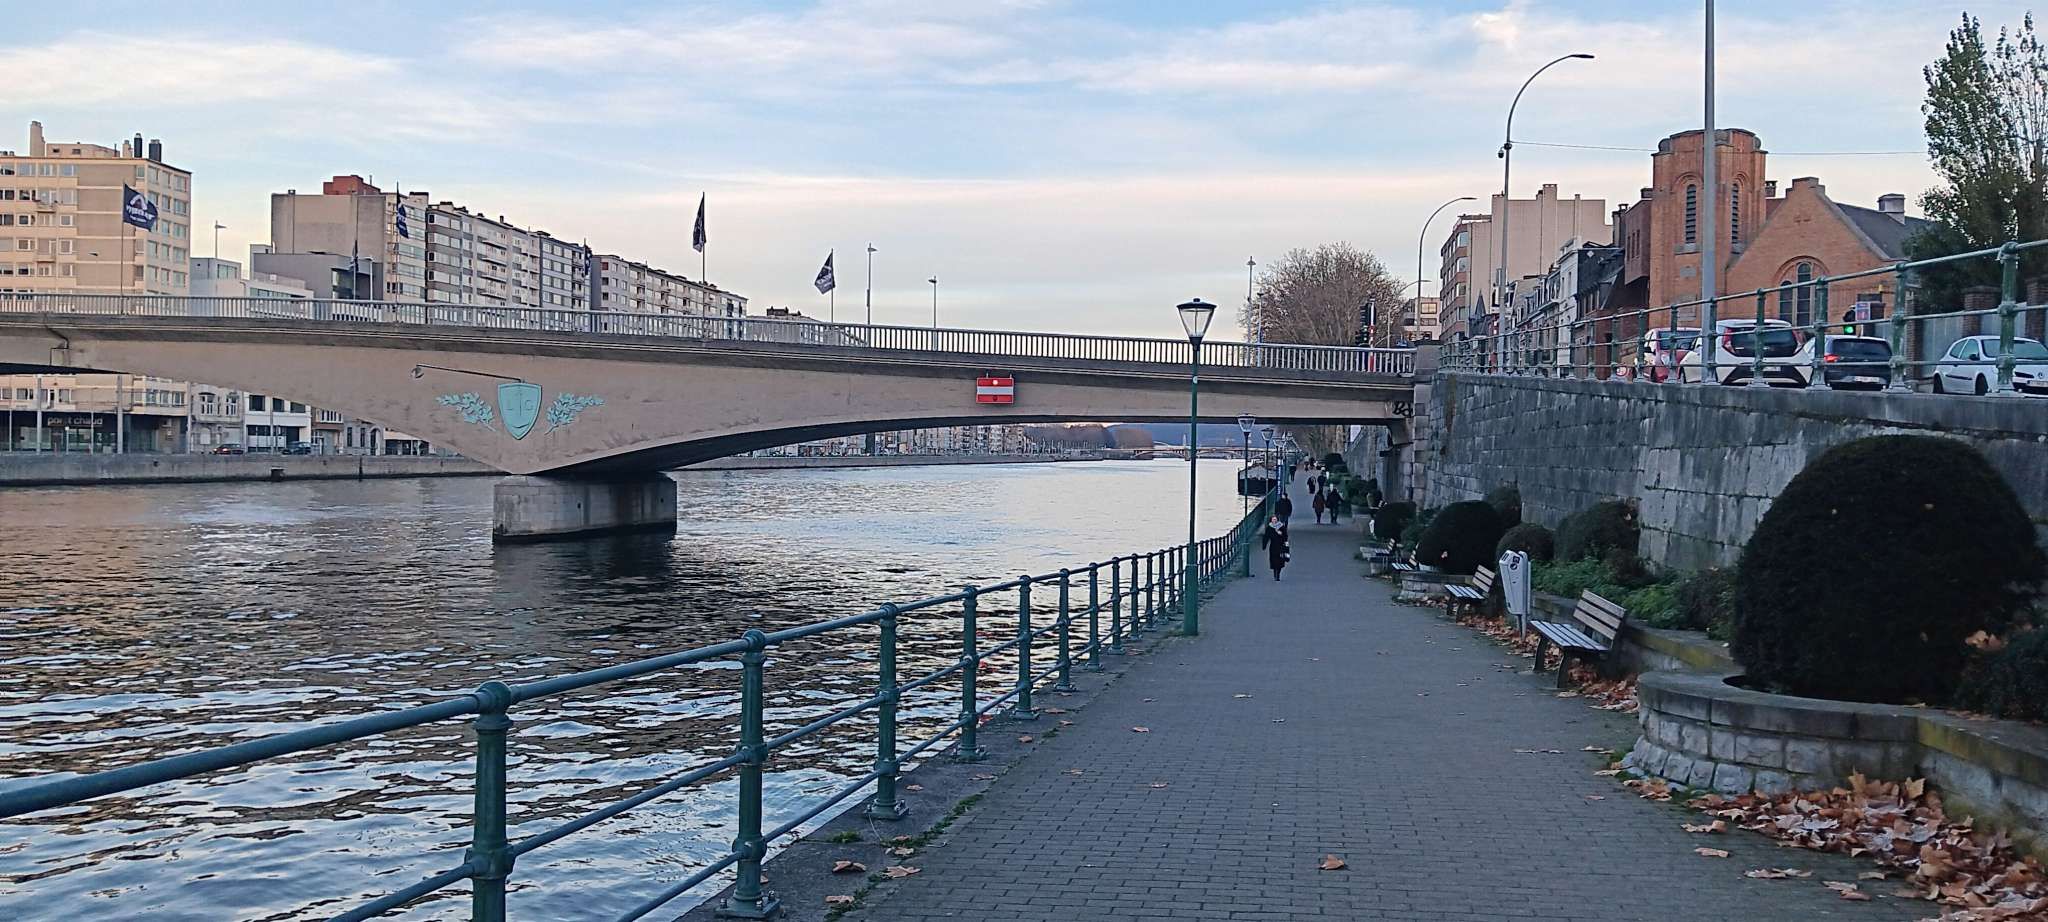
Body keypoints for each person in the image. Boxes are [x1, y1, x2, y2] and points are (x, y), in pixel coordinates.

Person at [1260, 514, 1291, 580]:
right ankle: (1275, 574)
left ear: (1277, 519)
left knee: (1280, 560)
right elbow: (1266, 537)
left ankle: (1278, 574)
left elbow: (1286, 536)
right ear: (1271, 520)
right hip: (1273, 546)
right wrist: (1264, 545)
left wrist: (1281, 534)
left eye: (1275, 519)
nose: (1274, 521)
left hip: (1281, 546)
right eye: (1273, 519)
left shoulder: (1281, 527)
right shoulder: (1269, 527)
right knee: (1274, 560)